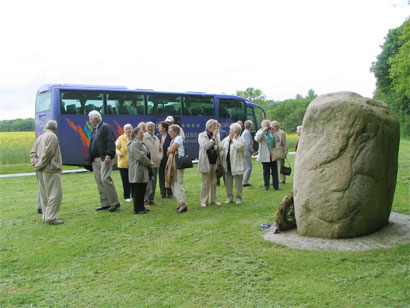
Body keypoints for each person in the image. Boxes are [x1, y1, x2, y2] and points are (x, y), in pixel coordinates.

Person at [30, 120, 63, 225]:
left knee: (44, 195)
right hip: (51, 169)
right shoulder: (52, 137)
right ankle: (51, 217)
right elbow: (48, 153)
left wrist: (35, 164)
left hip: (41, 170)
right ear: (55, 129)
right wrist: (40, 164)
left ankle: (45, 215)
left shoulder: (40, 137)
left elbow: (32, 152)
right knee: (55, 194)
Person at [87, 110, 121, 212]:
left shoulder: (105, 127)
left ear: (96, 119)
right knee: (99, 181)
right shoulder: (94, 130)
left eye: (91, 119)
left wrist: (109, 155)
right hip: (95, 159)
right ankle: (105, 203)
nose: (89, 121)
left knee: (105, 178)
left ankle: (115, 202)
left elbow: (111, 141)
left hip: (104, 158)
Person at [128, 127, 153, 214]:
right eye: (141, 133)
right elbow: (139, 156)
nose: (143, 134)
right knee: (138, 190)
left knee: (142, 189)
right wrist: (148, 162)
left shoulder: (140, 143)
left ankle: (141, 207)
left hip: (141, 169)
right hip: (137, 170)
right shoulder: (134, 144)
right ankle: (137, 209)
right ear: (135, 134)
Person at [198, 119, 221, 207]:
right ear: (210, 127)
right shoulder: (202, 135)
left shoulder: (215, 136)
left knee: (214, 181)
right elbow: (205, 146)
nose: (216, 128)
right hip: (206, 161)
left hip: (214, 161)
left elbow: (220, 146)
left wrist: (215, 145)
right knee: (205, 182)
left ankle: (213, 199)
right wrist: (213, 139)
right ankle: (204, 201)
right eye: (215, 126)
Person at [220, 123, 246, 204]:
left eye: (231, 130)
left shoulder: (241, 139)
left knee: (238, 183)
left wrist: (234, 139)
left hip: (237, 164)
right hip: (227, 164)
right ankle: (229, 197)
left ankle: (239, 198)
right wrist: (221, 153)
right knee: (228, 183)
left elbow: (239, 147)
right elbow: (221, 147)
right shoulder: (226, 139)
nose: (229, 132)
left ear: (236, 132)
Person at [165, 124, 187, 213]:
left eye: (170, 131)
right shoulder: (173, 139)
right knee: (174, 183)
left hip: (177, 164)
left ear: (176, 132)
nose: (169, 133)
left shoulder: (178, 138)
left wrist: (170, 149)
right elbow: (168, 152)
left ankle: (183, 204)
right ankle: (179, 202)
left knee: (178, 183)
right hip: (174, 163)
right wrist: (170, 150)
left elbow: (172, 149)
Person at [255, 120, 281, 190]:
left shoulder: (271, 133)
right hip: (265, 155)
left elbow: (278, 139)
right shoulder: (260, 132)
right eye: (266, 126)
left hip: (272, 154)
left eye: (268, 126)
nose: (268, 127)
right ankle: (266, 185)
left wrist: (273, 132)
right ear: (263, 126)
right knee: (266, 171)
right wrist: (263, 131)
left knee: (274, 170)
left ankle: (276, 186)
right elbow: (257, 139)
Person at [143, 121, 163, 205]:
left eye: (152, 127)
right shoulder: (143, 137)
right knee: (147, 183)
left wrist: (160, 157)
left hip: (156, 163)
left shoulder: (156, 138)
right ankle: (145, 199)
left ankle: (151, 199)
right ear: (145, 128)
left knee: (154, 183)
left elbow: (161, 149)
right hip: (147, 164)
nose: (151, 128)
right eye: (149, 127)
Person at [116, 123, 133, 202]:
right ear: (124, 130)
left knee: (132, 180)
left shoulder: (133, 138)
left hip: (132, 164)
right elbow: (116, 148)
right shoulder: (120, 138)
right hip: (123, 163)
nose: (128, 130)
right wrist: (119, 153)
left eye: (129, 129)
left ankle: (133, 195)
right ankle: (127, 196)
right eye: (126, 129)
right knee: (125, 180)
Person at [158, 121, 173, 199]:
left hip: (168, 159)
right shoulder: (158, 137)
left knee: (169, 175)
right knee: (161, 176)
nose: (158, 128)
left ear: (164, 128)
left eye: (160, 126)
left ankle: (169, 192)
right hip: (160, 160)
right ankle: (162, 192)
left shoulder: (170, 137)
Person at [241, 120, 254, 187]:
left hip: (244, 152)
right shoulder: (247, 133)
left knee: (246, 167)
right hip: (246, 152)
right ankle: (244, 182)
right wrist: (252, 150)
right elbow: (248, 144)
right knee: (248, 167)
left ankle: (244, 181)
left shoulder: (244, 132)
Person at [216, 122, 228, 186]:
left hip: (223, 152)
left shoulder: (223, 132)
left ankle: (226, 182)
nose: (217, 128)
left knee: (223, 167)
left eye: (218, 127)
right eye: (216, 127)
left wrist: (223, 152)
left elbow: (226, 142)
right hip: (216, 153)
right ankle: (217, 182)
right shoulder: (212, 134)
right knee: (217, 168)